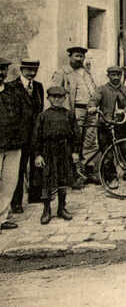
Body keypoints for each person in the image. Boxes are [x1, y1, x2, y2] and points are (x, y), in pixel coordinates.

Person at [51, 46, 98, 189]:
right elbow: (55, 93)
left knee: (90, 140)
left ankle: (88, 171)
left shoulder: (86, 72)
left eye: (82, 57)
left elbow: (94, 90)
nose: (79, 59)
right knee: (75, 141)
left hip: (90, 110)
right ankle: (75, 175)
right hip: (75, 111)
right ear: (70, 57)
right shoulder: (62, 72)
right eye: (77, 56)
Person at [33, 86, 80, 225]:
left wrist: (75, 151)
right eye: (53, 97)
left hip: (64, 150)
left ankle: (61, 208)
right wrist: (38, 155)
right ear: (48, 98)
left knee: (63, 179)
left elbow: (76, 134)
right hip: (48, 151)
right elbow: (36, 137)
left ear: (64, 98)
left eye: (60, 97)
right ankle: (46, 210)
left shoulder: (69, 114)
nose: (57, 99)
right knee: (47, 180)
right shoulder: (43, 116)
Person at [88, 66, 126, 188]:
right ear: (108, 76)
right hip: (105, 125)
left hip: (122, 126)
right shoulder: (102, 89)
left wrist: (124, 110)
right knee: (108, 155)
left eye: (118, 75)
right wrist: (92, 107)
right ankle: (111, 178)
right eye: (113, 75)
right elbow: (94, 100)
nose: (116, 77)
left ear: (121, 76)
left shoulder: (125, 90)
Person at [10, 59, 45, 212]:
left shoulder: (38, 87)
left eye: (34, 70)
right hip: (19, 135)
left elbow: (40, 109)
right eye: (29, 70)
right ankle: (16, 202)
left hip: (35, 133)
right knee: (18, 168)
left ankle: (35, 195)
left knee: (36, 164)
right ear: (21, 69)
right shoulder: (12, 87)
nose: (32, 73)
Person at [0, 57, 24, 233]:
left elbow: (22, 115)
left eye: (3, 70)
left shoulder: (12, 92)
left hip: (13, 144)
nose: (1, 73)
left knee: (9, 182)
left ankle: (2, 217)